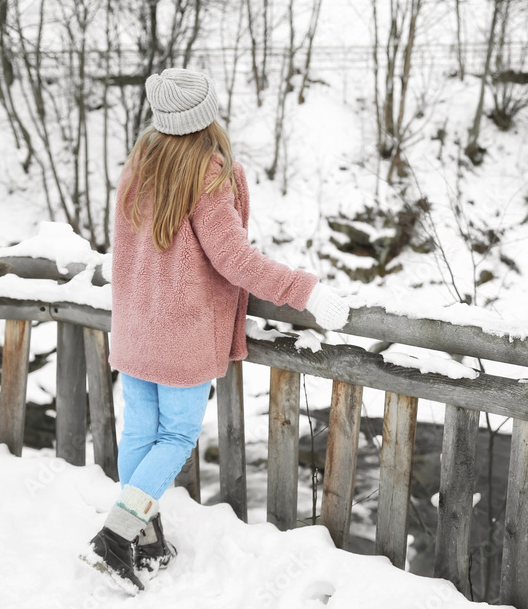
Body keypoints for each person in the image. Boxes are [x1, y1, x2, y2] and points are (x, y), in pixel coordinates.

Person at [79, 68, 349, 595]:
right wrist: (305, 291)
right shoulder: (207, 173)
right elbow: (234, 259)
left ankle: (143, 534)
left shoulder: (141, 163)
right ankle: (115, 537)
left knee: (140, 433)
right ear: (206, 116)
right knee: (176, 438)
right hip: (181, 335)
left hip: (136, 327)